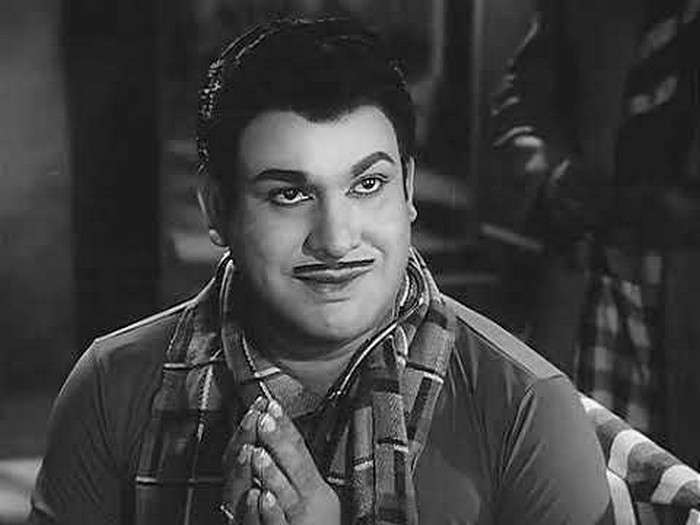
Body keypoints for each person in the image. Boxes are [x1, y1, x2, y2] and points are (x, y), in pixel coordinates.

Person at [29, 18, 614, 524]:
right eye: (289, 194)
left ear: (408, 190)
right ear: (217, 209)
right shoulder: (112, 387)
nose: (336, 239)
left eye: (368, 184)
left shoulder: (525, 409)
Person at [491, 0, 700, 471]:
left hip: (684, 285)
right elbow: (523, 100)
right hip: (589, 275)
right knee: (570, 470)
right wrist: (550, 175)